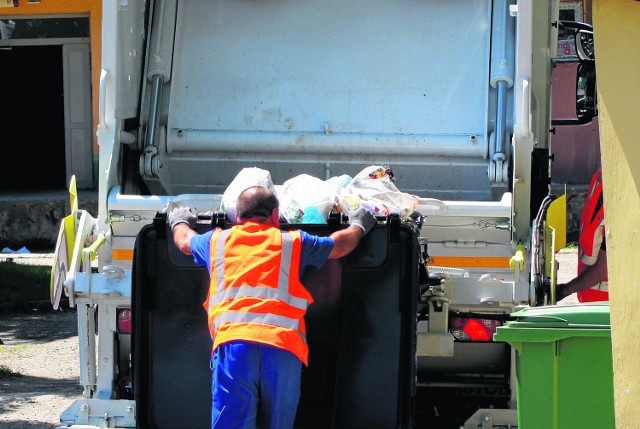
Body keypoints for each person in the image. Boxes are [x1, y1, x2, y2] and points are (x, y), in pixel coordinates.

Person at [167, 186, 376, 428]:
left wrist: (179, 220)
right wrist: (359, 226)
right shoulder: (292, 241)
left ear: (237, 216)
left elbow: (184, 242)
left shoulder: (216, 241)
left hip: (235, 347)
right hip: (282, 348)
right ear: (275, 216)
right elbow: (339, 245)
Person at [556, 168, 608, 302]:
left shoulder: (622, 208)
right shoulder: (601, 186)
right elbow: (590, 232)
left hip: (604, 305)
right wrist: (563, 238)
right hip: (593, 300)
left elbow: (602, 270)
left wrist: (563, 290)